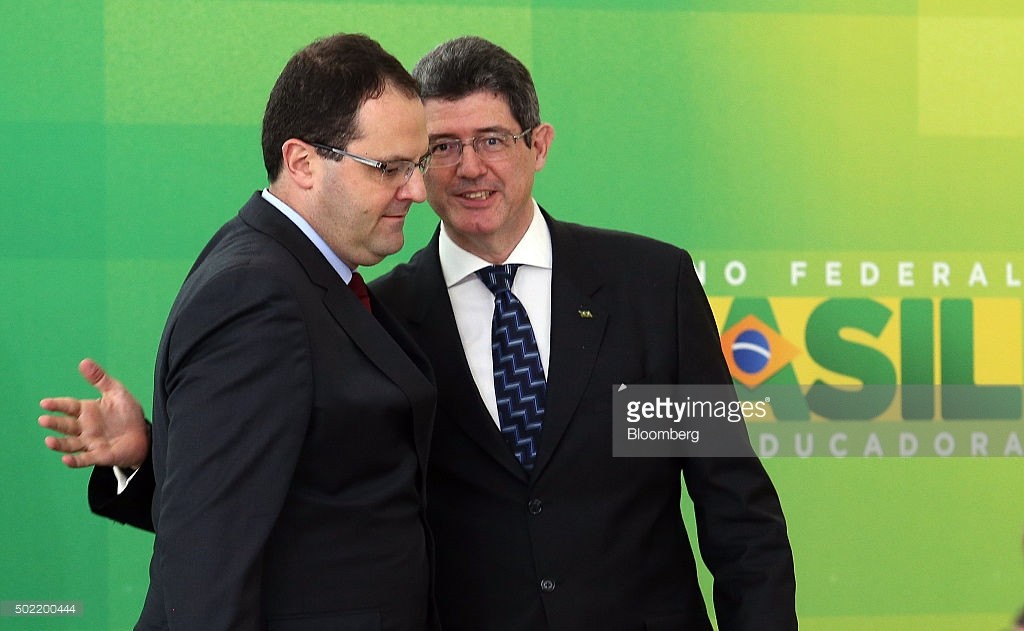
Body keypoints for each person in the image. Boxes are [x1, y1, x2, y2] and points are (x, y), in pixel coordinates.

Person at [41, 36, 796, 630]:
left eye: (494, 139)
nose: (469, 168)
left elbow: (734, 504)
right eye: (440, 147)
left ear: (540, 145)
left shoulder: (650, 288)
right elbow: (302, 500)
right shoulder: (378, 311)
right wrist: (156, 457)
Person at [41, 33, 439, 630]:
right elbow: (207, 561)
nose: (417, 190)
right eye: (390, 168)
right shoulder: (256, 296)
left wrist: (155, 455)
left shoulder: (297, 272)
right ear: (303, 162)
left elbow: (297, 490)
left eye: (419, 165)